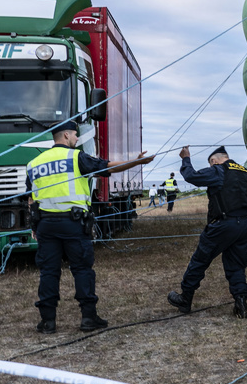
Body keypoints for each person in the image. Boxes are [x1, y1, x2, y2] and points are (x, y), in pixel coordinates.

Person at [27, 120, 154, 334]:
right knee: (82, 269)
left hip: (46, 225)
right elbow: (108, 166)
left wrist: (34, 225)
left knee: (48, 272)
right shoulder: (76, 157)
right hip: (73, 223)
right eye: (76, 135)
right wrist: (136, 162)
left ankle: (47, 321)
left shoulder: (34, 163)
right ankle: (88, 317)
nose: (77, 139)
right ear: (66, 136)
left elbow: (30, 198)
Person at [167, 146, 247, 319]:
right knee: (237, 263)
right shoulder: (246, 172)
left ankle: (185, 298)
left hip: (224, 223)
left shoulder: (218, 170)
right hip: (246, 223)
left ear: (214, 161)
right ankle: (240, 301)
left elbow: (192, 176)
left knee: (201, 259)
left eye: (211, 164)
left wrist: (186, 158)